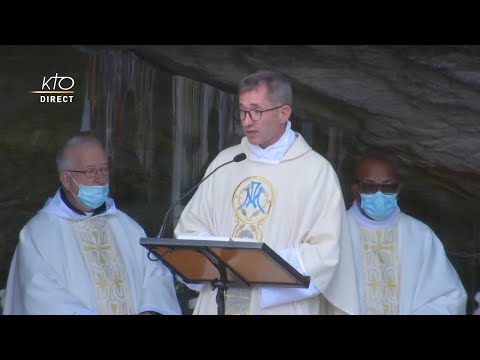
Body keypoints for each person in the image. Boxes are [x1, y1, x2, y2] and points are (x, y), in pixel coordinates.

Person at [174, 70, 360, 315]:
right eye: (242, 111)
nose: (247, 120)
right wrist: (227, 259)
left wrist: (256, 267)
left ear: (284, 113)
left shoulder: (316, 172)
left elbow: (324, 254)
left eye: (256, 111)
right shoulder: (226, 162)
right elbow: (189, 231)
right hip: (219, 302)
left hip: (279, 308)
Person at [3, 135, 181, 315]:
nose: (100, 178)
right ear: (66, 179)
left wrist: (150, 311)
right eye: (90, 171)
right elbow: (41, 296)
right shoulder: (38, 235)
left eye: (104, 169)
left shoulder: (128, 228)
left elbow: (155, 275)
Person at [346, 153, 467, 315]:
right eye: (370, 187)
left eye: (388, 187)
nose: (379, 194)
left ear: (398, 189)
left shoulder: (420, 235)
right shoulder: (336, 232)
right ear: (355, 189)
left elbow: (449, 297)